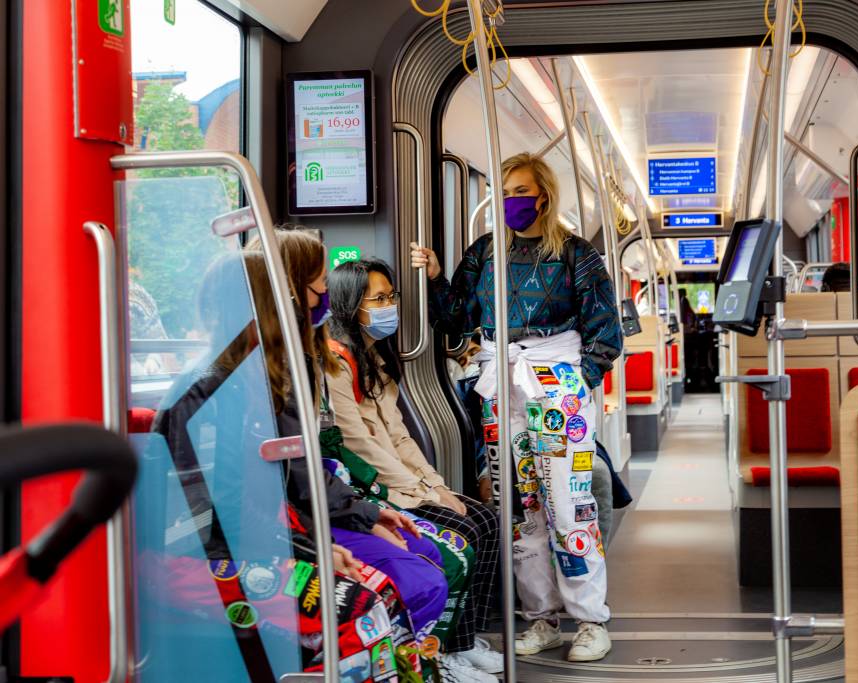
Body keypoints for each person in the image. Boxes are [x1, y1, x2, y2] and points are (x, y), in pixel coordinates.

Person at [148, 250, 423, 681]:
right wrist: (312, 553)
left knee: (381, 592)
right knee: (360, 611)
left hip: (249, 540)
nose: (311, 308)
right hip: (203, 558)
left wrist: (316, 548)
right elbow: (221, 511)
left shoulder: (252, 377)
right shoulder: (209, 392)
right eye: (303, 297)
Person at [412, 152, 623, 662]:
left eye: (519, 193)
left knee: (569, 505)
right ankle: (542, 617)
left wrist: (576, 384)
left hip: (557, 380)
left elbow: (606, 334)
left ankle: (591, 620)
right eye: (503, 193)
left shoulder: (576, 255)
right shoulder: (484, 252)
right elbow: (456, 320)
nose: (509, 202)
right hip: (502, 380)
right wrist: (438, 277)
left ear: (544, 196)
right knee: (520, 506)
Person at [324, 259, 504, 677]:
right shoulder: (336, 366)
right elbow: (361, 446)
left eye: (392, 296)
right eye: (379, 298)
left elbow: (401, 437)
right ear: (351, 306)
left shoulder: (378, 361)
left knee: (487, 520)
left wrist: (437, 486)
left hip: (405, 482)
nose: (390, 306)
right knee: (463, 533)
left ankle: (463, 638)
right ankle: (441, 652)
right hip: (378, 488)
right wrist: (423, 493)